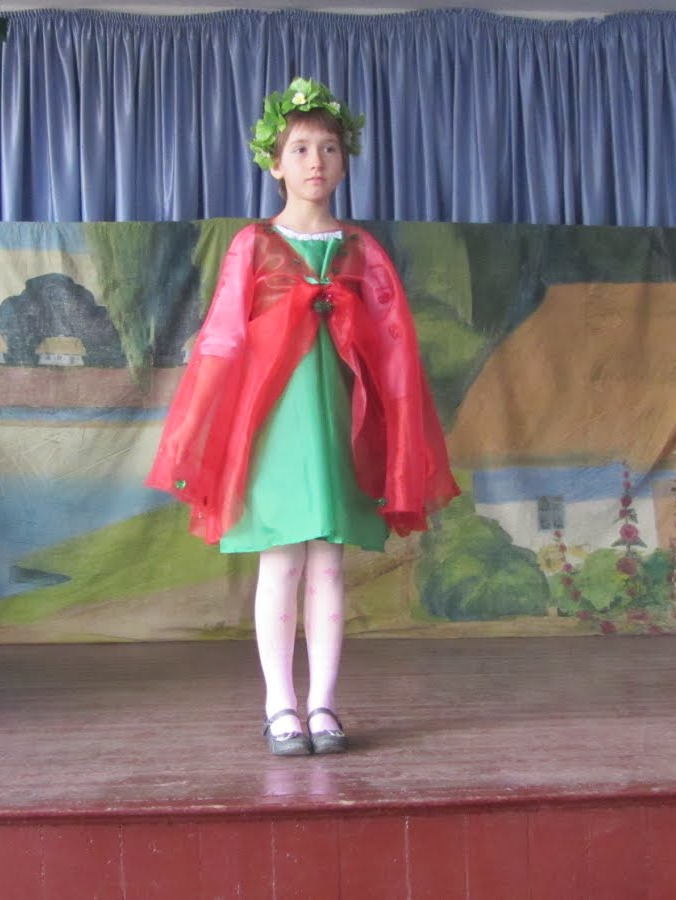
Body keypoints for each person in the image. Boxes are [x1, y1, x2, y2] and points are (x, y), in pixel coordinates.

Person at [148, 78, 459, 755]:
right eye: (299, 149)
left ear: (345, 162)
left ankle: (323, 704)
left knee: (328, 566)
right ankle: (279, 706)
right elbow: (222, 339)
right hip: (274, 427)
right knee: (281, 562)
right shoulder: (254, 244)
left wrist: (397, 432)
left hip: (338, 423)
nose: (315, 161)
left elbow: (394, 346)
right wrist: (198, 428)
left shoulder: (361, 249)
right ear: (274, 163)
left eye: (328, 149)